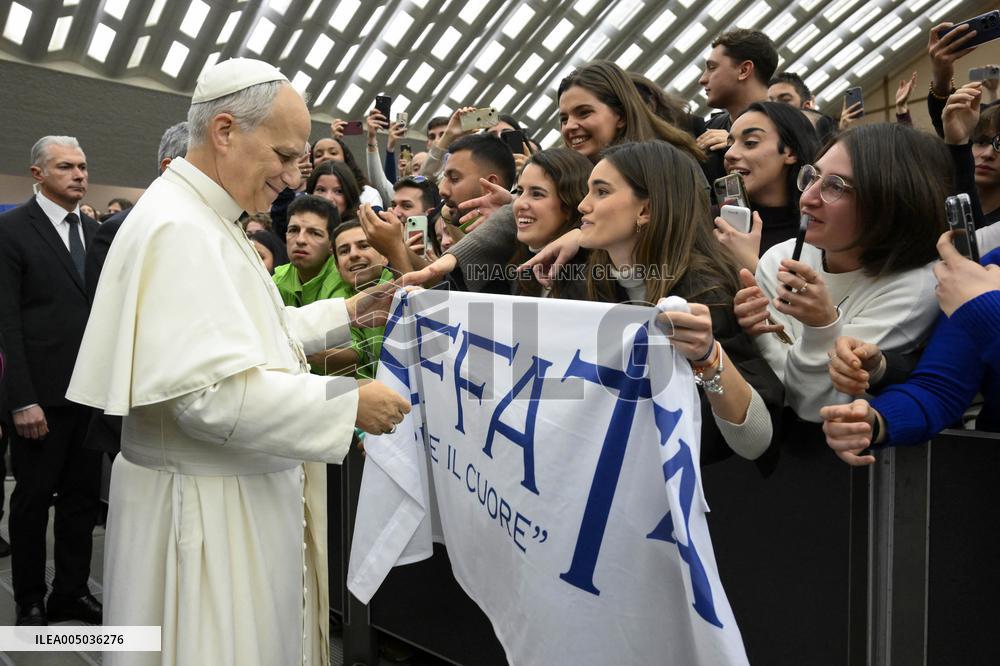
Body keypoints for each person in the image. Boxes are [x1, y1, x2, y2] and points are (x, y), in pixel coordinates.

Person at [65, 58, 408, 666]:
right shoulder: (181, 229)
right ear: (225, 130)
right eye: (282, 155)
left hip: (221, 497)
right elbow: (205, 395)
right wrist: (348, 402)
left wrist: (350, 310)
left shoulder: (202, 217)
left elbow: (252, 332)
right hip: (205, 516)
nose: (292, 175)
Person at [570, 140, 782, 466]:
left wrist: (709, 358)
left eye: (601, 192)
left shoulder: (705, 296)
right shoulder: (594, 284)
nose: (583, 205)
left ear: (646, 210)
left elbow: (755, 441)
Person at [734, 123, 948, 423]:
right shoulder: (782, 257)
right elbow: (780, 388)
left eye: (835, 186)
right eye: (813, 177)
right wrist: (756, 331)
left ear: (889, 201)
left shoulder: (916, 289)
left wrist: (820, 326)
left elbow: (808, 404)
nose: (808, 198)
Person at [0, 136, 103, 626]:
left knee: (82, 502)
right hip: (39, 400)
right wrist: (21, 399)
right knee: (32, 502)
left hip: (88, 394)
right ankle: (29, 598)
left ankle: (71, 592)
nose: (79, 175)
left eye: (82, 167)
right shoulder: (12, 230)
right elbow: (5, 323)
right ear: (38, 174)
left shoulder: (92, 229)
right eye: (66, 167)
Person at [821, 234, 1000, 464]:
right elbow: (940, 389)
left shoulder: (984, 289)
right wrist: (876, 421)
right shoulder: (991, 269)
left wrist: (985, 312)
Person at [715, 101, 820, 271]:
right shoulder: (707, 222)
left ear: (790, 152)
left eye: (750, 142)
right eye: (730, 144)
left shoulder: (816, 231)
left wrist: (750, 262)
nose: (729, 154)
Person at [697, 29, 778, 184]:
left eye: (712, 67)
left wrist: (733, 143)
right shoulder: (708, 129)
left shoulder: (790, 128)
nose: (702, 79)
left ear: (743, 70)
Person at [273, 194, 350, 309]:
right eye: (293, 230)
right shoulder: (277, 281)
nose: (300, 240)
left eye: (314, 233)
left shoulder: (344, 281)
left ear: (331, 245)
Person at [314, 135, 383, 207]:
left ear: (346, 159)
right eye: (318, 155)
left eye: (333, 153)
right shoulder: (304, 193)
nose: (326, 157)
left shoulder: (368, 193)